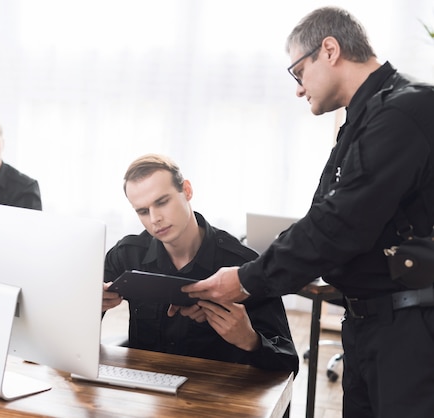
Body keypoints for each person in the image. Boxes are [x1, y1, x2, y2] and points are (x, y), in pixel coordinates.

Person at [181, 7, 434, 418]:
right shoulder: (362, 121)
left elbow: (339, 225)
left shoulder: (404, 111)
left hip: (409, 331)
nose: (298, 89)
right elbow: (325, 217)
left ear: (329, 50)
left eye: (298, 72)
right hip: (366, 326)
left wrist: (246, 280)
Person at [102, 154, 298, 373]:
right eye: (142, 211)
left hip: (216, 399)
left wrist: (250, 340)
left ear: (186, 191)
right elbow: (73, 330)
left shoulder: (244, 265)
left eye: (162, 202)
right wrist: (88, 307)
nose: (155, 218)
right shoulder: (126, 255)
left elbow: (288, 364)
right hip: (146, 396)